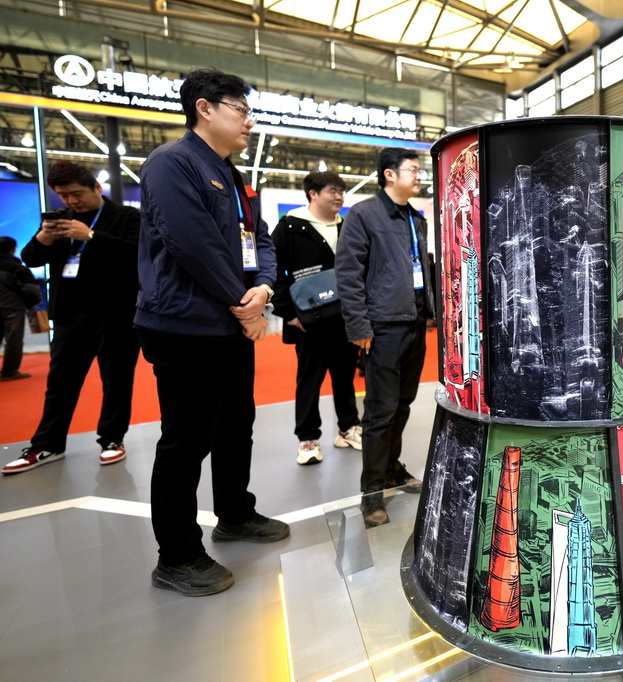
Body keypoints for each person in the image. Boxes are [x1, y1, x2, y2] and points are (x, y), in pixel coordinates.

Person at [135, 67, 289, 597]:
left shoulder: (234, 176)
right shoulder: (172, 163)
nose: (249, 121)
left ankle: (235, 513)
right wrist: (245, 307)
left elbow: (259, 239)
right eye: (241, 109)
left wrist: (263, 287)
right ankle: (176, 555)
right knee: (186, 440)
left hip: (230, 322)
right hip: (186, 326)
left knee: (234, 426)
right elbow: (192, 243)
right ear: (204, 108)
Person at [2, 161, 140, 474]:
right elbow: (30, 258)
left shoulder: (127, 217)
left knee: (117, 381)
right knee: (60, 382)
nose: (71, 201)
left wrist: (90, 235)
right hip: (70, 314)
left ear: (97, 188)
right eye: (63, 195)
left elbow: (137, 255)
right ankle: (47, 444)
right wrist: (44, 238)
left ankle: (112, 439)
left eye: (77, 194)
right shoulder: (60, 219)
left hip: (116, 314)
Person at [337, 148, 433, 527]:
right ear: (389, 174)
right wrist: (359, 326)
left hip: (415, 323)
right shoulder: (364, 215)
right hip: (382, 326)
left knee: (403, 404)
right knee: (380, 411)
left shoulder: (416, 218)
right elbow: (348, 274)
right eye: (413, 170)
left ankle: (392, 469)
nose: (419, 176)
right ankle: (372, 493)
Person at [271, 171, 362, 465]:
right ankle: (308, 439)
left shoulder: (347, 227)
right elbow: (273, 271)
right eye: (333, 191)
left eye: (342, 191)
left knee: (345, 378)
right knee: (309, 381)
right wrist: (288, 313)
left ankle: (348, 428)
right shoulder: (290, 227)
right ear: (313, 193)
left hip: (345, 319)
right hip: (308, 323)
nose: (339, 197)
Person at [0, 236, 40, 382]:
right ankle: (9, 371)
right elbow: (32, 290)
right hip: (12, 307)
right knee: (14, 339)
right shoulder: (18, 268)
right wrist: (32, 303)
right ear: (13, 249)